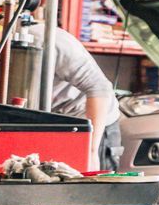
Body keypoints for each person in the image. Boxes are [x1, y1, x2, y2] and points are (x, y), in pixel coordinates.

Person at [47, 20, 120, 169]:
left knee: (93, 189)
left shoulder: (52, 42)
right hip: (58, 124)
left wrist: (91, 152)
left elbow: (100, 88)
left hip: (91, 125)